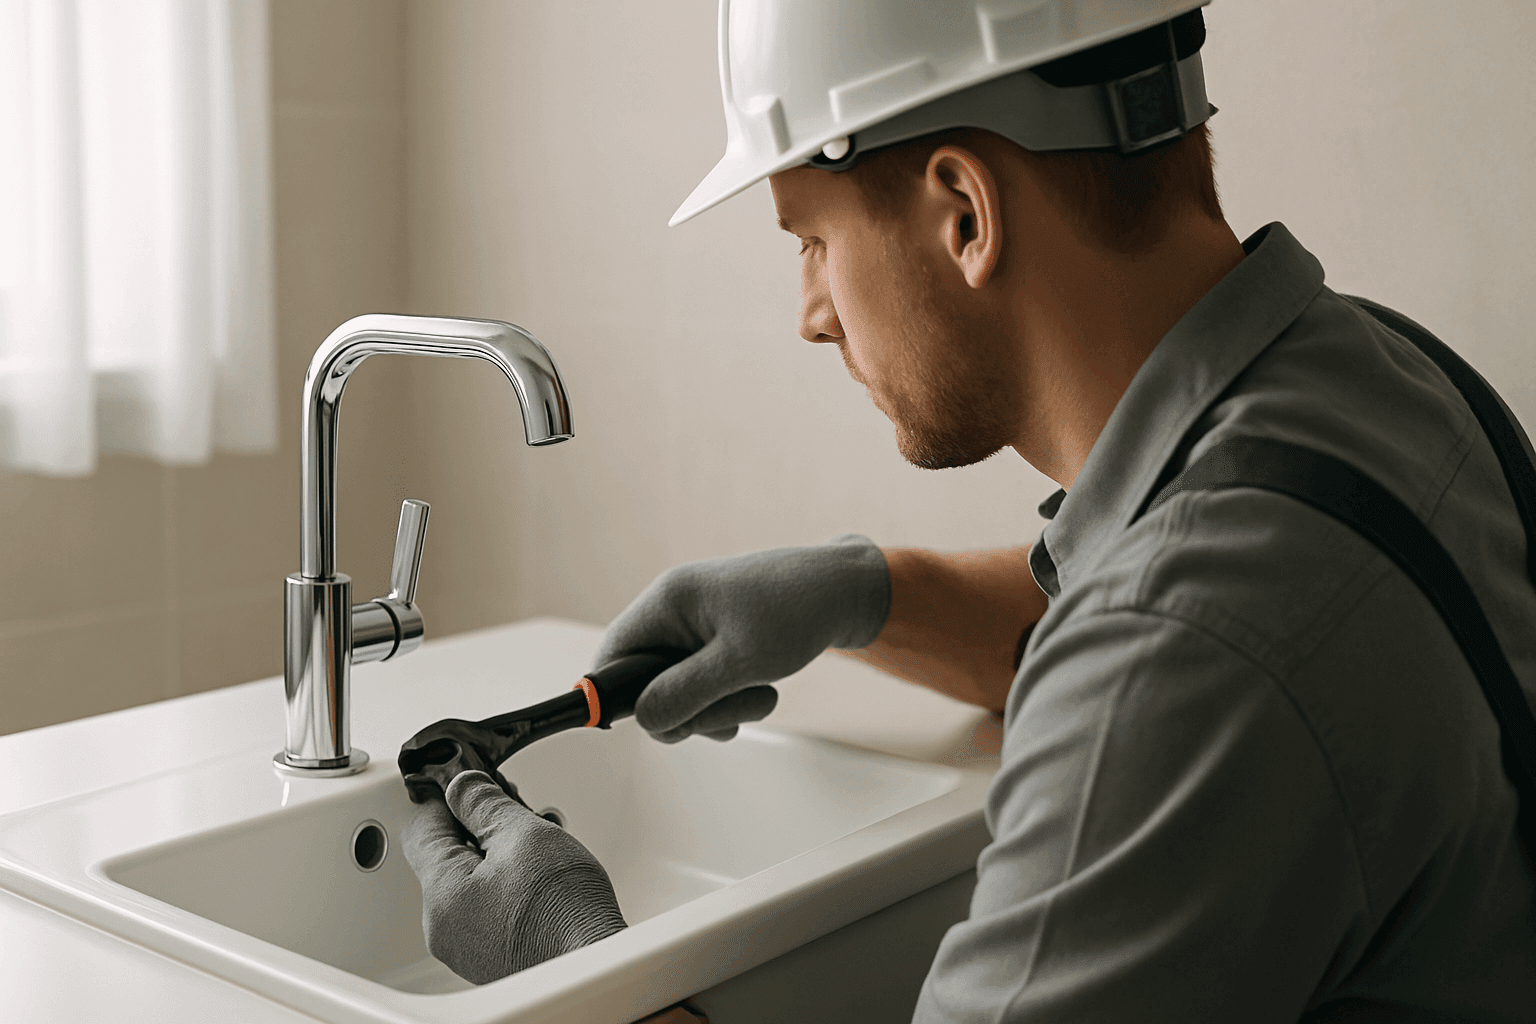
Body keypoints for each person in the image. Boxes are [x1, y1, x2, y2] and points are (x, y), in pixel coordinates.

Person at [402, 1, 1536, 1020]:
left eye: (811, 239)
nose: (811, 311)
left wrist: (576, 971)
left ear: (963, 212)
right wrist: (867, 592)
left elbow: (1165, 657)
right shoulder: (1379, 374)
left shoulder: (1185, 657)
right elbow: (1140, 623)